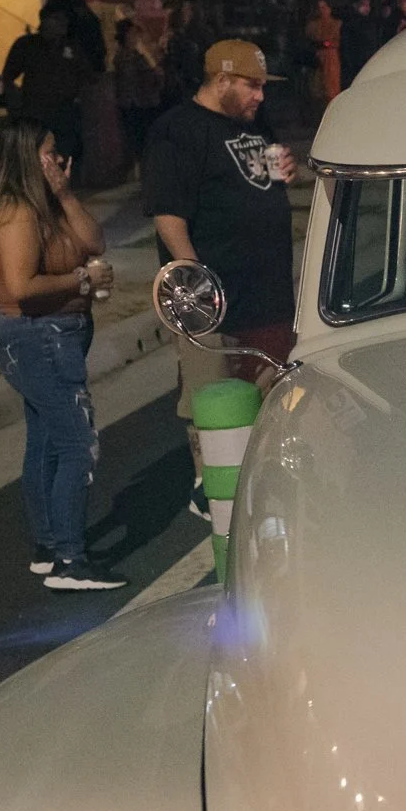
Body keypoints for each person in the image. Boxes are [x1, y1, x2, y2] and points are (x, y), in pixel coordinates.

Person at [0, 117, 127, 591]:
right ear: (26, 157)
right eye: (49, 151)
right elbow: (22, 286)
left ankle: (49, 546)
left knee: (44, 440)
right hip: (39, 336)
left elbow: (94, 241)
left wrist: (64, 194)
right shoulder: (16, 213)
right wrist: (81, 281)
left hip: (56, 334)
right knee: (78, 445)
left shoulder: (45, 205)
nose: (58, 158)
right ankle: (69, 561)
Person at [143, 40, 298, 498]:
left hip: (266, 291)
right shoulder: (177, 132)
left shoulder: (251, 123)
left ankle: (261, 482)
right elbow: (168, 212)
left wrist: (284, 168)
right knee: (211, 398)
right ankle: (209, 486)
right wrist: (194, 280)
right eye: (251, 86)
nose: (259, 96)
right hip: (215, 298)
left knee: (270, 396)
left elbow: (258, 177)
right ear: (222, 80)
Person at [2, 5, 95, 168]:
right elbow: (9, 75)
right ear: (45, 22)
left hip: (66, 109)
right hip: (37, 110)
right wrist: (15, 101)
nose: (63, 23)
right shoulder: (28, 45)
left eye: (64, 19)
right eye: (58, 19)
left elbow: (86, 73)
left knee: (66, 150)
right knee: (39, 151)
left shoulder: (71, 46)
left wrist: (80, 94)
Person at [113, 18, 164, 167]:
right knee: (138, 136)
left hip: (142, 100)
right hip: (135, 101)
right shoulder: (125, 56)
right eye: (132, 34)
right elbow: (131, 78)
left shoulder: (136, 54)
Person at [340, 0, 381, 88]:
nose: (367, 8)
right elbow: (346, 46)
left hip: (370, 60)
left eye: (368, 5)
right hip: (357, 64)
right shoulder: (350, 23)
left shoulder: (371, 22)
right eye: (363, 5)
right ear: (355, 5)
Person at [306, 0, 342, 102]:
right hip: (317, 59)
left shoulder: (336, 24)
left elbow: (337, 41)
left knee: (331, 89)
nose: (322, 10)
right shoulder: (312, 26)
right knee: (317, 90)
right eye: (319, 8)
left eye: (324, 7)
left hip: (331, 59)